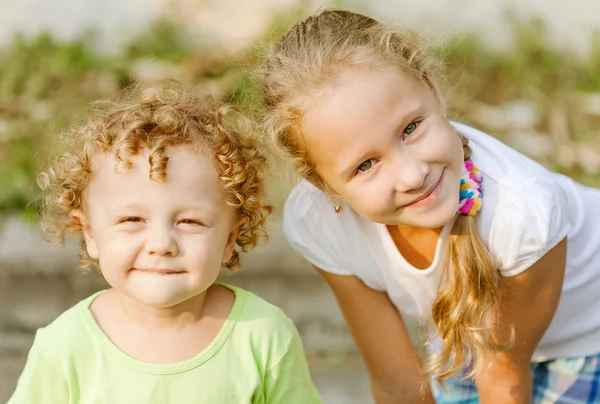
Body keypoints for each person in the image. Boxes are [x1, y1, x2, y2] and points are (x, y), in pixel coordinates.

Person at [260, 9, 600, 404]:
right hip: (474, 343)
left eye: (410, 128)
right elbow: (397, 384)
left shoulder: (522, 212)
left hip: (585, 345)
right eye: (365, 165)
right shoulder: (317, 221)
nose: (411, 176)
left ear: (433, 88)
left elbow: (503, 378)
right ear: (321, 183)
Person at [8, 80, 321, 404]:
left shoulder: (263, 335)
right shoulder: (64, 347)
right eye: (132, 220)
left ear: (229, 238)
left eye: (190, 221)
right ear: (89, 233)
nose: (161, 244)